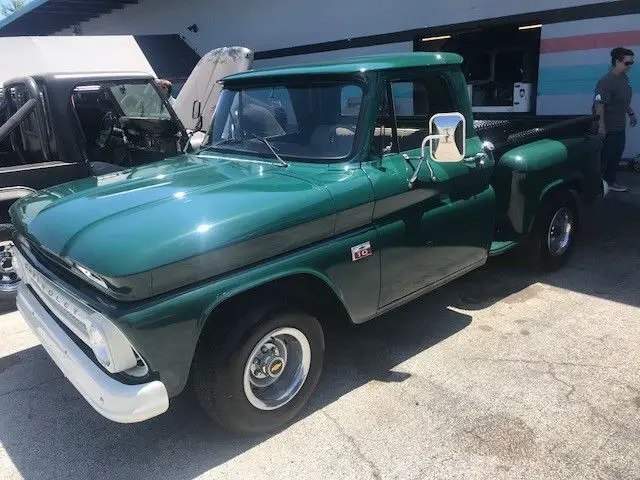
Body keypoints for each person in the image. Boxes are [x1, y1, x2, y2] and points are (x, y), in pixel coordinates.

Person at [593, 47, 636, 192]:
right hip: (608, 127)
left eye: (631, 63)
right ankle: (594, 184)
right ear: (617, 61)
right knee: (604, 156)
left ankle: (610, 182)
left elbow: (623, 100)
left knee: (616, 155)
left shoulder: (623, 78)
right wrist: (601, 127)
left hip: (619, 126)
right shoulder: (606, 82)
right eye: (627, 63)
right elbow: (599, 105)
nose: (629, 66)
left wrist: (631, 113)